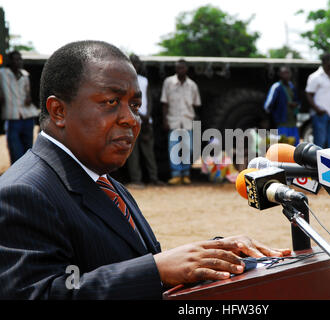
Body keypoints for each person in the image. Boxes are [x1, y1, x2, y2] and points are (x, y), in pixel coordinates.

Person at [0, 40, 290, 299]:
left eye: (135, 105)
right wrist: (154, 270)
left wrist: (211, 255)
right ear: (58, 111)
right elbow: (39, 292)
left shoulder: (104, 181)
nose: (130, 119)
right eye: (111, 102)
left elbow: (129, 263)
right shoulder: (22, 193)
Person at [126, 54, 164, 188]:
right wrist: (142, 116)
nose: (135, 65)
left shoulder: (144, 81)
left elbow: (149, 100)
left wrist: (147, 116)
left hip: (147, 121)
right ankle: (137, 179)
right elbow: (127, 102)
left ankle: (153, 178)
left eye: (137, 63)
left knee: (148, 151)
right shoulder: (125, 81)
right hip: (132, 120)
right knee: (133, 153)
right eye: (133, 63)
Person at [161, 59, 201, 185]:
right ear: (175, 69)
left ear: (186, 69)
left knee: (188, 149)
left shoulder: (192, 85)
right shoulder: (168, 83)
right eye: (178, 68)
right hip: (173, 121)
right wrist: (165, 120)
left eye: (182, 68)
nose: (180, 70)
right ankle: (176, 175)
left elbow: (196, 105)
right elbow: (164, 103)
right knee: (174, 149)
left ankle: (186, 174)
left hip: (188, 121)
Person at [0, 50, 40, 164]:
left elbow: (28, 93)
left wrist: (28, 98)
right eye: (16, 59)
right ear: (10, 61)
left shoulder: (25, 74)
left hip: (28, 117)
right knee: (16, 153)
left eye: (20, 59)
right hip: (12, 118)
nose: (19, 62)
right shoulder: (3, 73)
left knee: (28, 152)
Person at [305, 52, 330, 148]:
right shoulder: (315, 76)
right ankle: (317, 163)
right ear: (326, 62)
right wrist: (317, 109)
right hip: (320, 114)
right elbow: (308, 94)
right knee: (320, 143)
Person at [264, 66, 300, 145]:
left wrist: (295, 105)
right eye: (284, 73)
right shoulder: (276, 87)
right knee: (283, 146)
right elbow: (267, 106)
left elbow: (297, 101)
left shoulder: (291, 86)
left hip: (293, 123)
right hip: (282, 123)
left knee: (295, 146)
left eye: (288, 73)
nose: (286, 75)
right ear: (279, 74)